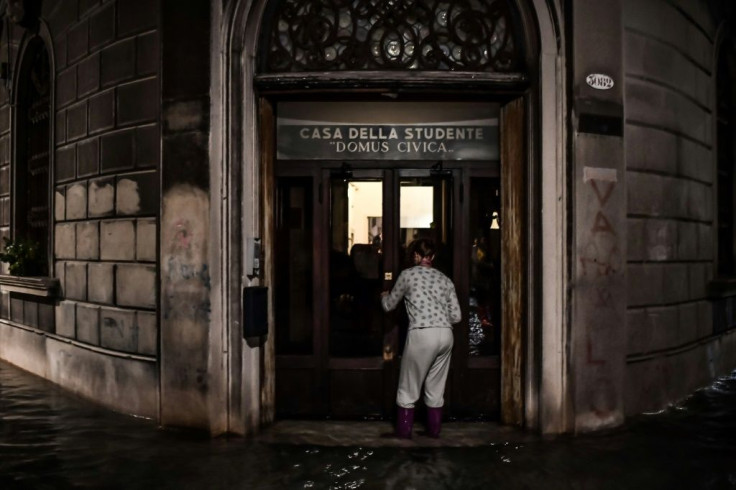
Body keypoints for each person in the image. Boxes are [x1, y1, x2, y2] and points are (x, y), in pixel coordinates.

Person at [380, 238, 461, 438]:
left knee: (408, 388)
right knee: (435, 389)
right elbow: (457, 316)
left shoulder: (408, 275)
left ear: (416, 255)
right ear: (432, 256)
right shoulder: (445, 279)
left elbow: (389, 305)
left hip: (422, 332)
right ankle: (434, 435)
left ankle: (404, 436)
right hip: (446, 334)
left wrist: (383, 296)